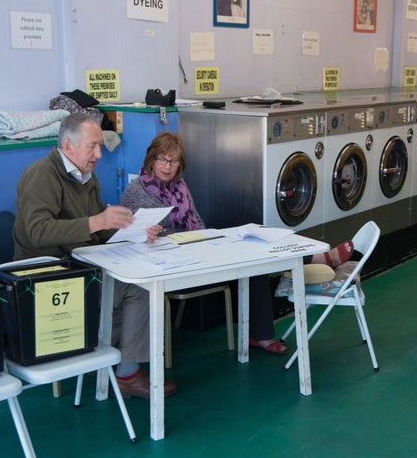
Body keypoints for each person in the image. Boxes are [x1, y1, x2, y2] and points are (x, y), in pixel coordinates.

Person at [12, 113, 175, 399]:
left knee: (142, 285)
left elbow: (100, 233)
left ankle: (116, 365)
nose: (100, 154)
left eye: (100, 145)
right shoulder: (40, 175)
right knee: (139, 291)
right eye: (93, 146)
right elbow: (38, 232)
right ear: (68, 145)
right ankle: (126, 373)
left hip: (81, 269)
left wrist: (136, 232)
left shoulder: (86, 178)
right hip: (47, 279)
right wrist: (98, 221)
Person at [121, 131, 290, 354]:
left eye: (173, 160)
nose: (167, 166)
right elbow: (124, 234)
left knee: (252, 257)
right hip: (162, 263)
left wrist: (206, 241)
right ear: (152, 159)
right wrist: (147, 234)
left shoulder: (180, 186)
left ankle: (260, 336)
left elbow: (197, 221)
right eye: (162, 159)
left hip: (193, 251)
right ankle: (316, 258)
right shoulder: (135, 190)